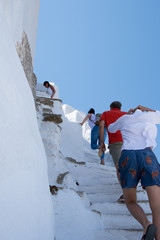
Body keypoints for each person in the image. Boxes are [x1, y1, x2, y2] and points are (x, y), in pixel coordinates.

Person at [108, 105, 160, 240]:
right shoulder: (152, 116)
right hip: (147, 155)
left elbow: (111, 128)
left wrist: (126, 116)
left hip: (128, 156)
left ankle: (146, 224)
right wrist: (148, 110)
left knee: (130, 200)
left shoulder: (124, 118)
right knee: (157, 206)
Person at [99, 101, 127, 201]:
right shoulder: (126, 114)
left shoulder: (106, 113)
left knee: (119, 167)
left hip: (116, 142)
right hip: (129, 141)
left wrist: (102, 142)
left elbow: (101, 126)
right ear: (120, 107)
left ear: (111, 107)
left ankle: (126, 194)